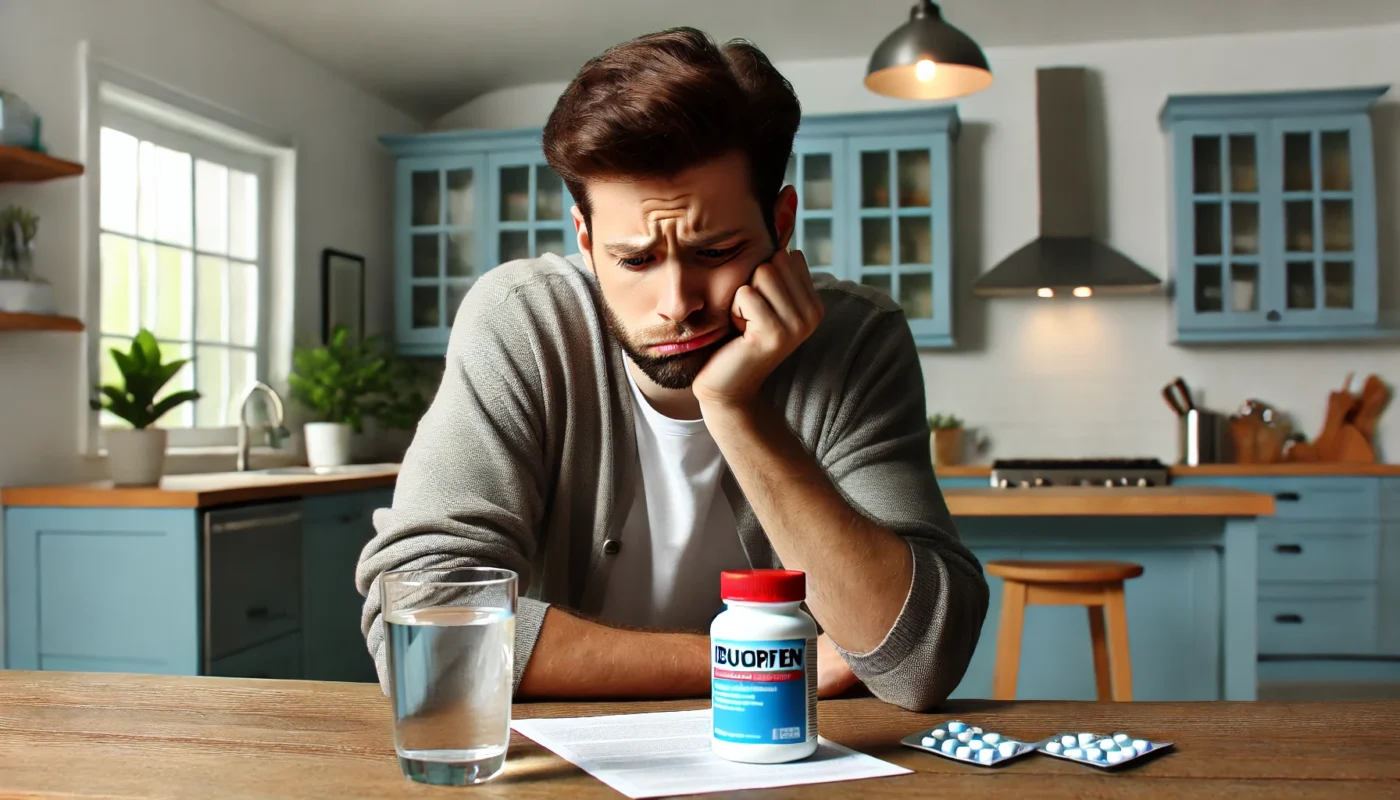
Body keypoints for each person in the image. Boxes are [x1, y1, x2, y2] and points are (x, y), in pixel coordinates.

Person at [356, 26, 988, 712]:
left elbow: (920, 662)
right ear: (586, 240)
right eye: (634, 260)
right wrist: (766, 662)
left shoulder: (858, 338)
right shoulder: (521, 322)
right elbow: (422, 626)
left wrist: (737, 406)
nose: (677, 305)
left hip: (797, 759)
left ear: (781, 222)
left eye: (716, 252)